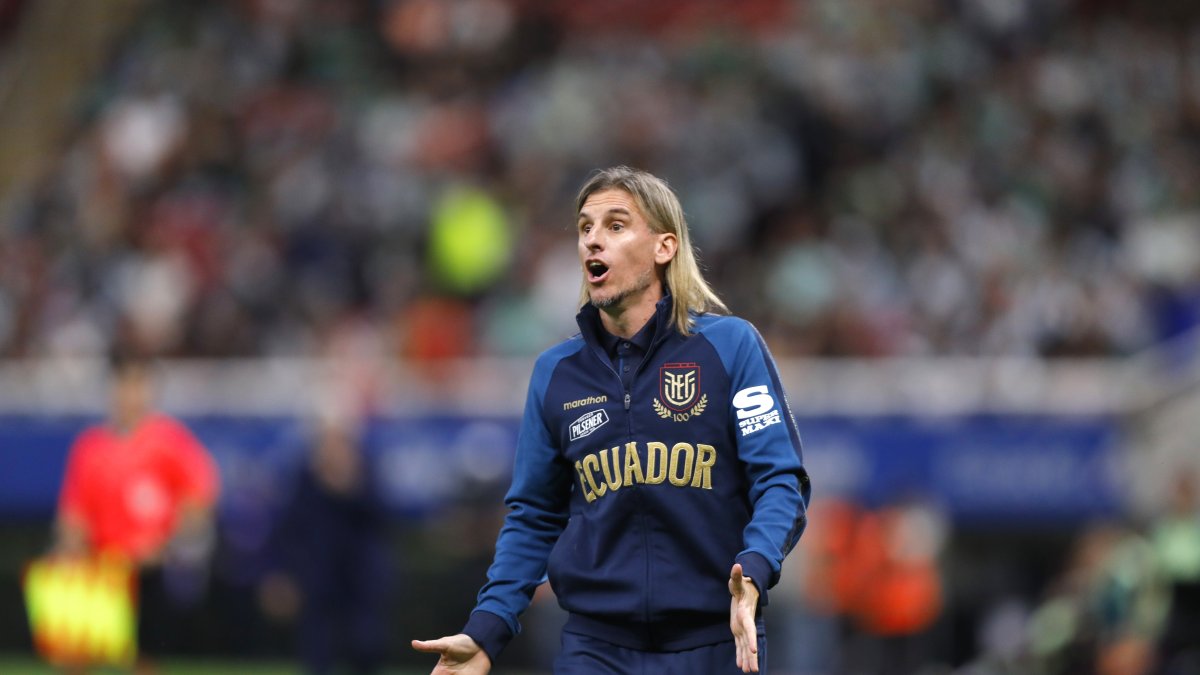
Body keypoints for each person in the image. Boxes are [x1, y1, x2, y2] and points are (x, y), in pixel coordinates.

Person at [413, 166, 812, 674]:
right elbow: (534, 516)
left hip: (717, 640)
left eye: (616, 225)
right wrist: (486, 632)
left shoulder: (731, 347)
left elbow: (780, 479)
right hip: (595, 649)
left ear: (664, 247)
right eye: (585, 228)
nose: (593, 241)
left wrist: (753, 571)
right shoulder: (554, 374)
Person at [54, 351, 220, 672]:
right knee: (75, 658)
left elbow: (199, 500)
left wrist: (167, 545)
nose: (131, 394)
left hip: (148, 572)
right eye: (124, 385)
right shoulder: (90, 447)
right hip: (101, 569)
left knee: (144, 661)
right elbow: (74, 511)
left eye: (139, 385)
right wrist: (69, 549)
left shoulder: (169, 442)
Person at [259, 417, 391, 675]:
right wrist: (281, 574)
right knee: (318, 654)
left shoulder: (367, 475)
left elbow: (383, 521)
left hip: (360, 582)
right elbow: (287, 529)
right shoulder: (305, 480)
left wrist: (351, 488)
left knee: (366, 647)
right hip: (318, 582)